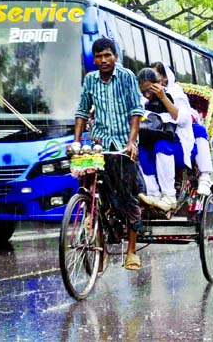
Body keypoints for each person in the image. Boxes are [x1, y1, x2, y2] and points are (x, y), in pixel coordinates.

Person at [72, 37, 145, 271]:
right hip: (100, 144)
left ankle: (131, 251)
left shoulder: (126, 77)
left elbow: (136, 110)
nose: (103, 60)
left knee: (126, 196)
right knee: (91, 188)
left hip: (123, 144)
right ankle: (97, 239)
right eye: (99, 57)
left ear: (115, 56)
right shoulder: (90, 80)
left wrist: (132, 142)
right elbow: (82, 111)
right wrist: (76, 141)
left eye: (107, 55)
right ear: (94, 59)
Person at [150, 62, 213, 195]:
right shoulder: (145, 93)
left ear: (165, 78)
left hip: (178, 141)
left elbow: (181, 118)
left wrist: (163, 97)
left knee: (199, 130)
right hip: (155, 138)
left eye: (155, 75)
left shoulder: (176, 93)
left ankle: (205, 176)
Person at [136, 67, 195, 212]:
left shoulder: (174, 94)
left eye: (150, 90)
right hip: (150, 143)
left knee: (161, 145)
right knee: (139, 152)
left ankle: (169, 195)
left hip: (176, 145)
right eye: (144, 91)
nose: (148, 94)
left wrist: (163, 97)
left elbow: (183, 120)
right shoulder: (142, 100)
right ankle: (153, 193)